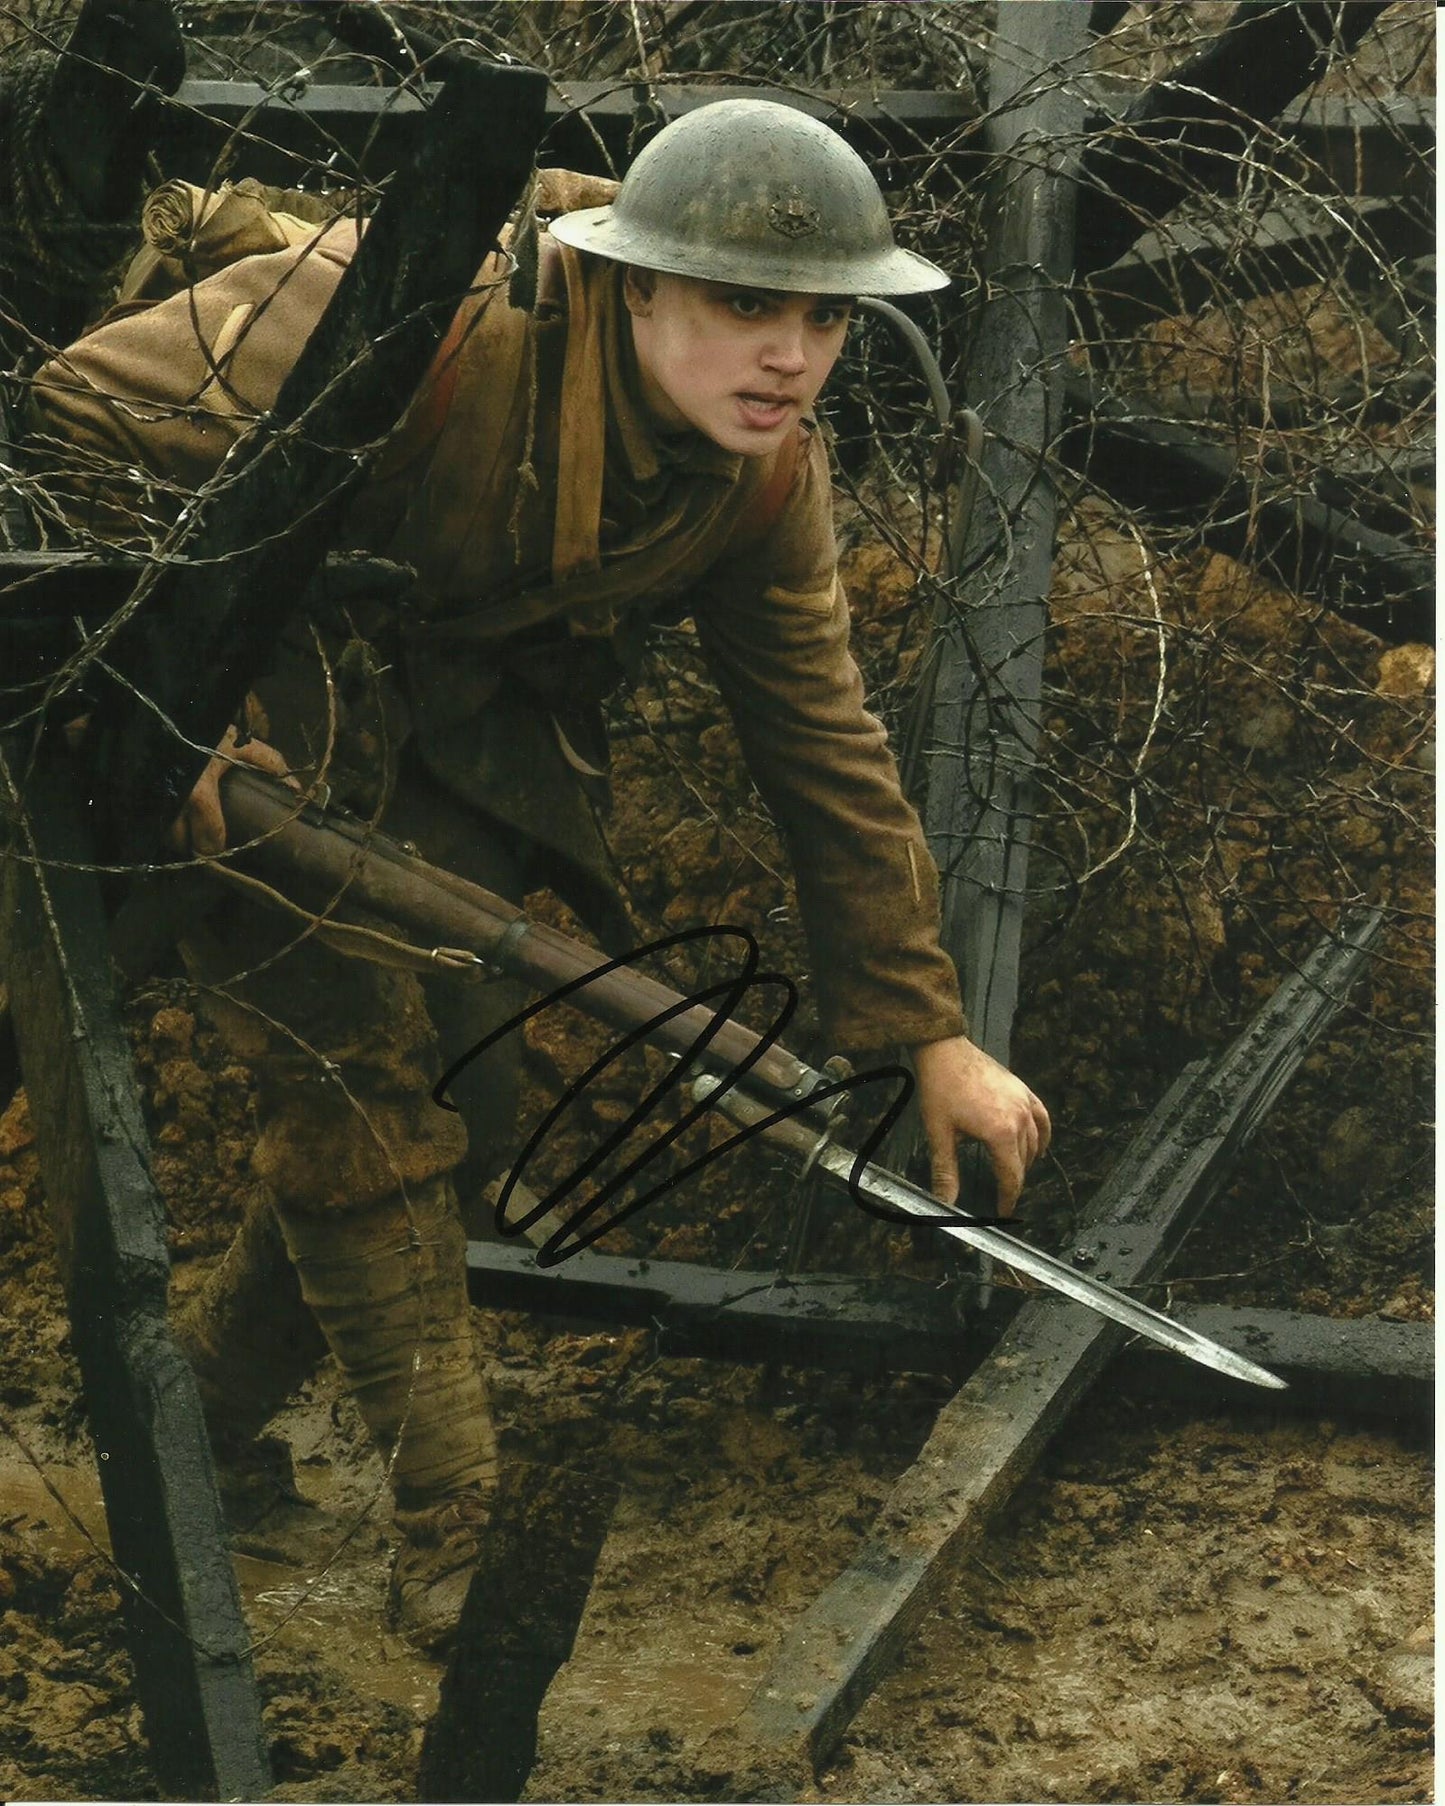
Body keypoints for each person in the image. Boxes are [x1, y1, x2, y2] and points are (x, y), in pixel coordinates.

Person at [25, 98, 1050, 1649]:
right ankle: (458, 1541)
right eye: (743, 307)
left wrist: (927, 1030)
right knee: (353, 1073)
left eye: (825, 319)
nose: (789, 355)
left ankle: (192, 1435)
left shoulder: (763, 479)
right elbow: (66, 418)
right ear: (635, 284)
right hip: (200, 691)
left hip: (419, 722)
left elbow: (824, 744)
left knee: (472, 1093)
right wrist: (187, 704)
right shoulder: (407, 309)